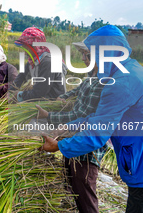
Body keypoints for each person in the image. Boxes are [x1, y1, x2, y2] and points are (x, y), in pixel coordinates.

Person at [39, 25, 143, 212]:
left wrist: (59, 146)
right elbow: (96, 118)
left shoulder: (120, 84)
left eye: (91, 54)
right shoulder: (137, 73)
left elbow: (96, 133)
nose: (87, 60)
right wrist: (65, 128)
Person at [36, 41, 107, 213]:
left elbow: (81, 115)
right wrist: (63, 97)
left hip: (86, 148)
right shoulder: (90, 76)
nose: (83, 58)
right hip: (73, 142)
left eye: (87, 55)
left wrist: (49, 116)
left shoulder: (102, 82)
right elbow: (76, 91)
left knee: (85, 194)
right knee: (72, 187)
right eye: (83, 54)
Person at [10, 27, 67, 102]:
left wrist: (19, 95)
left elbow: (40, 92)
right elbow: (20, 79)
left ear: (34, 46)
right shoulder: (33, 61)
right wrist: (6, 93)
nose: (25, 52)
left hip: (54, 103)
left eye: (26, 48)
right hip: (42, 99)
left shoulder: (48, 62)